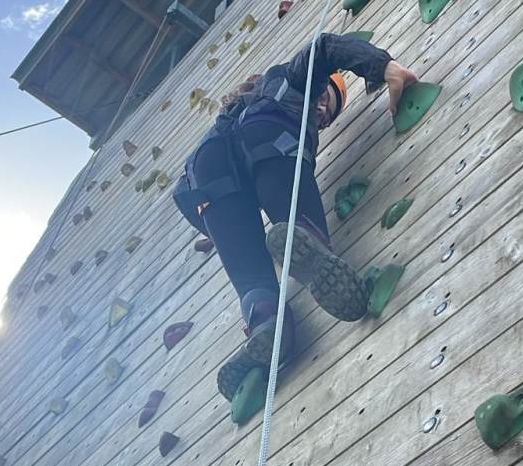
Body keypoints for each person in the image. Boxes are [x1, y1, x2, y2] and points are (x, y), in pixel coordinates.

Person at [174, 32, 417, 400]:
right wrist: (384, 67)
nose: (321, 112)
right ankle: (306, 237)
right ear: (320, 85)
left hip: (206, 168)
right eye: (326, 99)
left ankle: (266, 320)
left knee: (251, 278)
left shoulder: (224, 120)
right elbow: (325, 47)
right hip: (267, 132)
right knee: (287, 188)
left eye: (327, 118)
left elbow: (182, 194)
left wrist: (220, 231)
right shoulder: (289, 78)